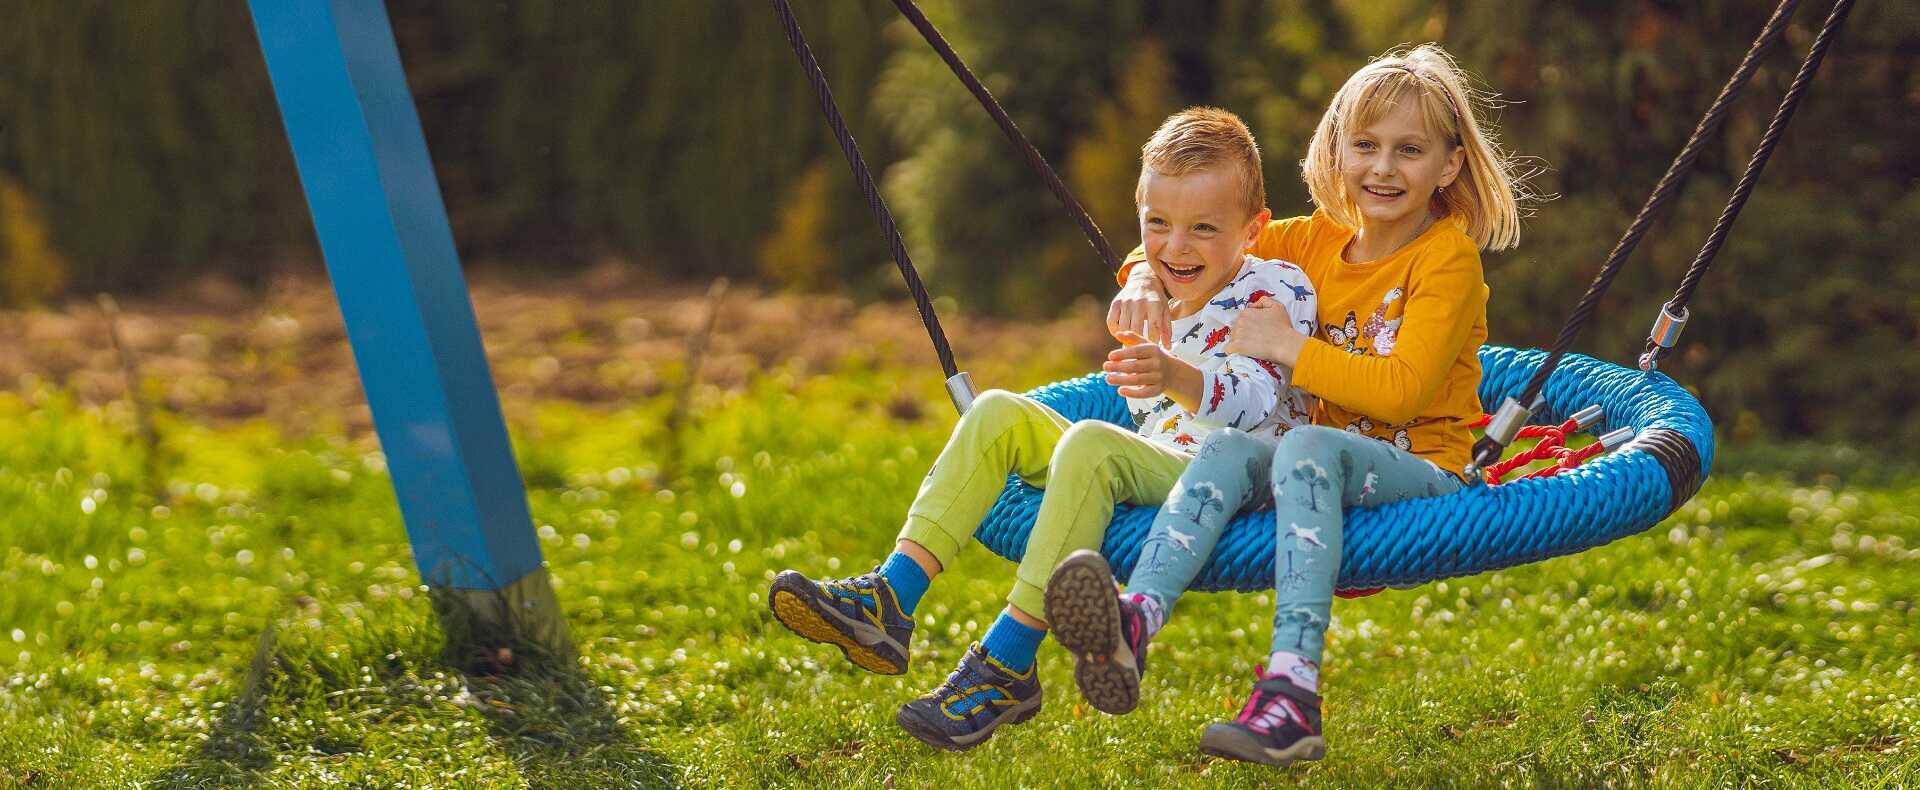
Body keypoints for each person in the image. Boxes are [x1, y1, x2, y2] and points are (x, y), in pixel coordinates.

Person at [766, 107, 1318, 752]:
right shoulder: (1157, 289)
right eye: (1157, 225)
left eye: (1204, 228)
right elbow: (1152, 266)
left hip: (1233, 472)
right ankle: (891, 597)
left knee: (1087, 443)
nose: (1175, 248)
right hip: (1156, 457)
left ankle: (1006, 664)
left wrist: (1172, 374)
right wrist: (1143, 279)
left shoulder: (1277, 286)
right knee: (996, 410)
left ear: (1254, 228)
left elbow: (1256, 401)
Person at [1054, 43, 1529, 767]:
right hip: (1312, 470)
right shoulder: (1312, 240)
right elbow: (1197, 245)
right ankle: (1135, 620)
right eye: (1364, 145)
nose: (1382, 168)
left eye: (1409, 150)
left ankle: (1292, 691)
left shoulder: (1445, 258)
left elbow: (1402, 394)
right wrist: (1145, 282)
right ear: (1336, 149)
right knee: (1227, 448)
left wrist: (1288, 348)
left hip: (1423, 468)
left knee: (1301, 446)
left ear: (1450, 165)